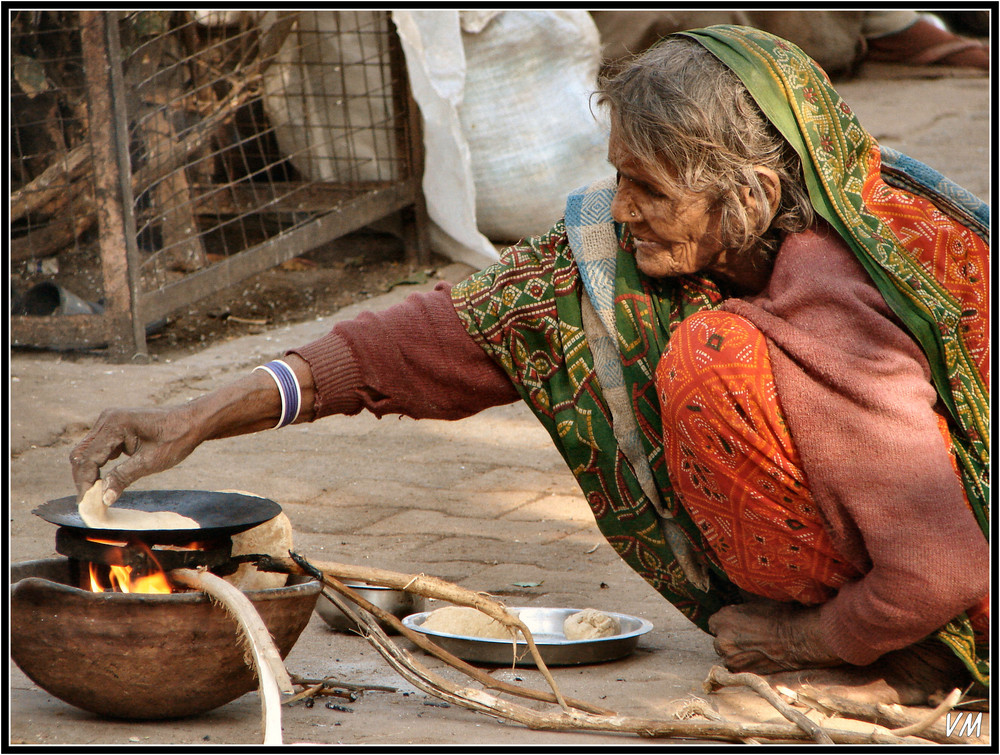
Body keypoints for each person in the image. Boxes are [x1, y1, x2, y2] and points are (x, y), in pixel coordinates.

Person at [70, 25, 989, 705]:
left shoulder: (834, 296)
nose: (620, 209)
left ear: (747, 193)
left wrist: (801, 637)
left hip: (961, 605)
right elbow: (425, 340)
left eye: (650, 188)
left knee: (712, 362)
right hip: (934, 570)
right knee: (591, 290)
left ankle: (901, 665)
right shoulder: (711, 232)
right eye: (620, 173)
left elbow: (943, 571)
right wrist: (194, 416)